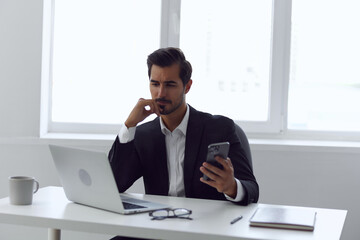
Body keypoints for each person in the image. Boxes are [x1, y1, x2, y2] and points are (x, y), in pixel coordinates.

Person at [108, 47, 259, 240]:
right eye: (155, 84)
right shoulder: (144, 134)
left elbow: (252, 190)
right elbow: (115, 185)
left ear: (187, 86)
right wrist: (129, 126)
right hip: (157, 229)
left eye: (170, 85)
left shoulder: (219, 129)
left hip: (204, 231)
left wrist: (231, 187)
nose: (160, 93)